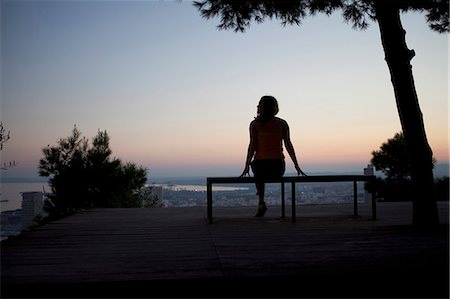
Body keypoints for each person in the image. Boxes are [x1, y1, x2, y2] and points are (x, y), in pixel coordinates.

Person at [240, 95, 306, 217]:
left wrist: (246, 166)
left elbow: (252, 146)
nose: (257, 107)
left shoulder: (256, 124)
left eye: (259, 104)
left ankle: (261, 201)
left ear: (264, 107)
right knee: (257, 168)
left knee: (257, 169)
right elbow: (288, 145)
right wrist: (296, 165)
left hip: (266, 165)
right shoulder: (280, 123)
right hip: (276, 165)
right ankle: (261, 201)